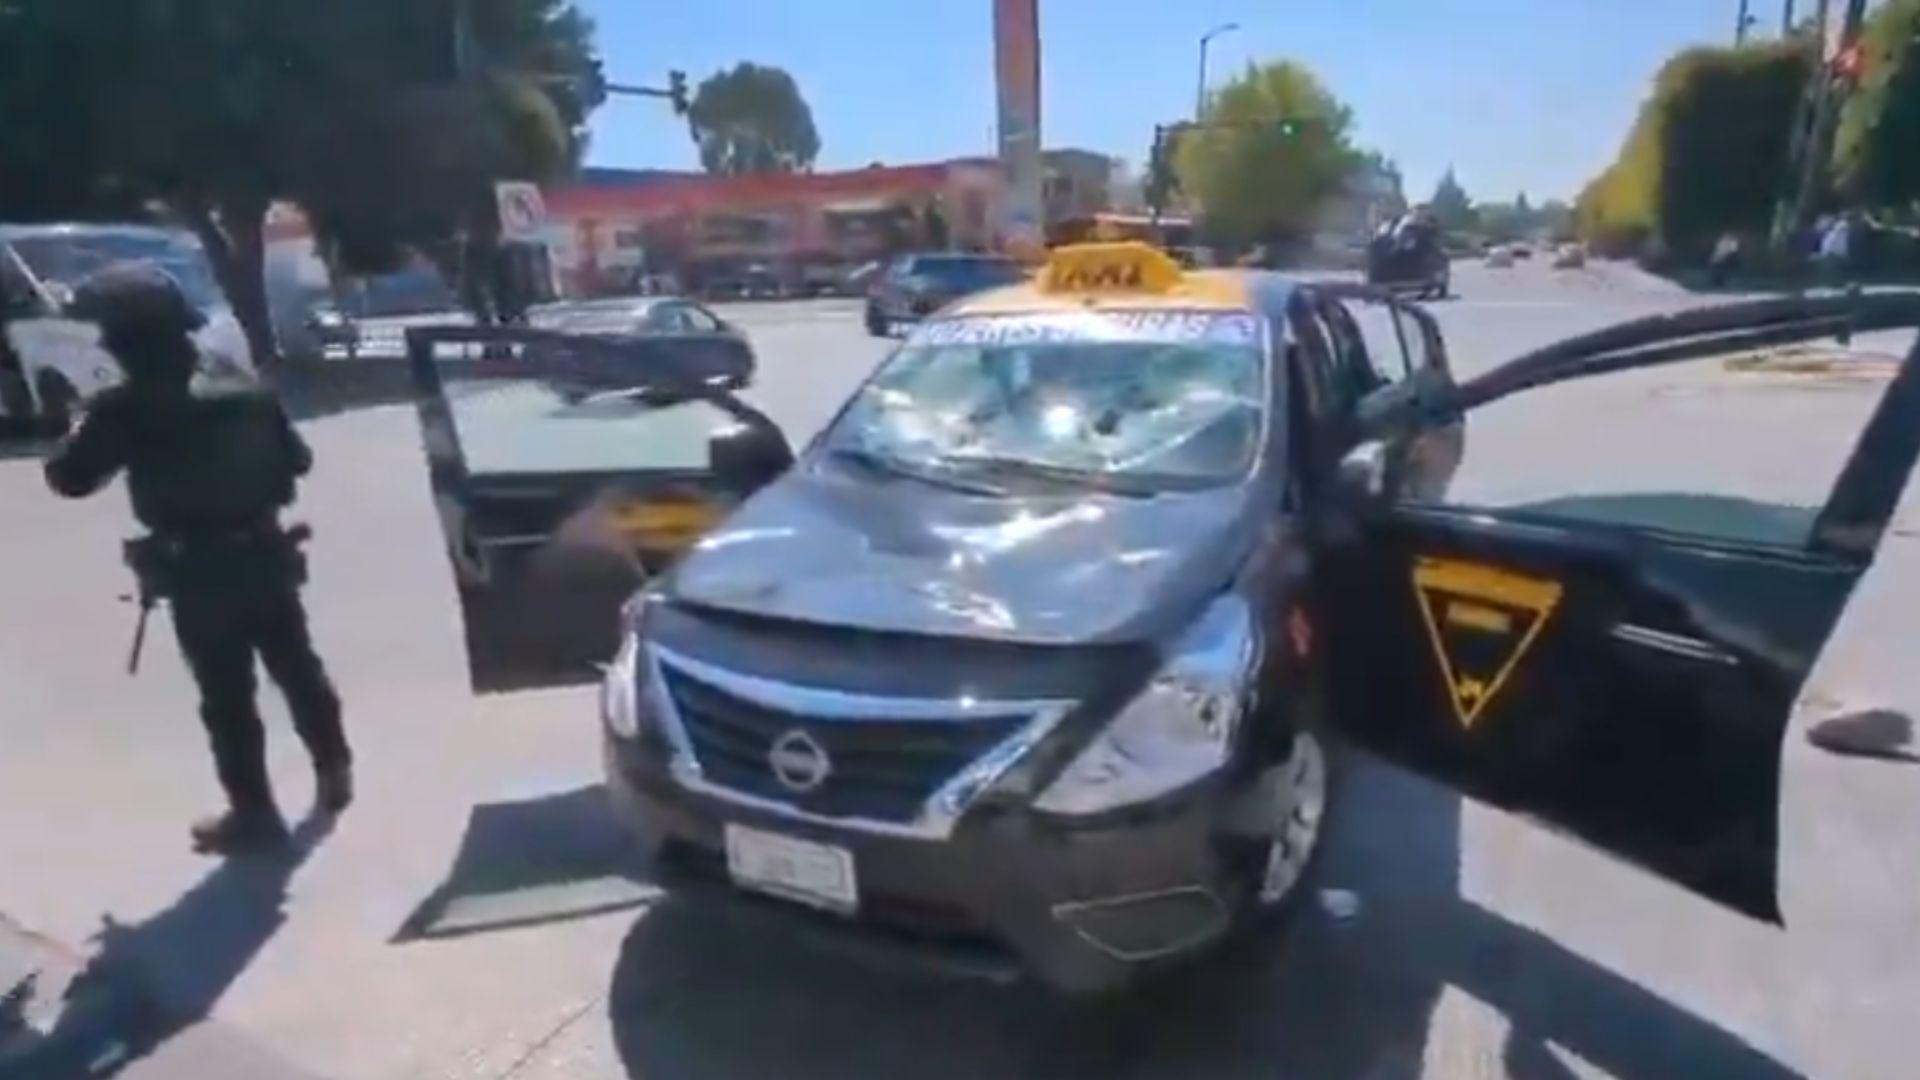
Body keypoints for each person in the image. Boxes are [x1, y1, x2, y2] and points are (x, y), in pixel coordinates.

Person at [43, 262, 351, 855]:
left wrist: (69, 422)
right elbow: (299, 460)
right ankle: (334, 768)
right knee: (297, 667)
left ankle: (254, 813)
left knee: (226, 694)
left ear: (128, 340)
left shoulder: (125, 408)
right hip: (267, 552)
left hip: (198, 568)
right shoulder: (244, 387)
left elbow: (70, 478)